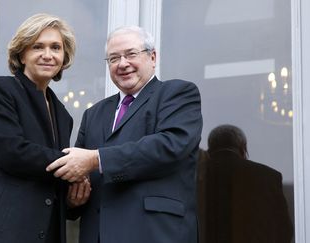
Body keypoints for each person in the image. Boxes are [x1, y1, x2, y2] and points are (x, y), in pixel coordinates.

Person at [47, 25, 203, 243]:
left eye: (131, 54)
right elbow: (80, 175)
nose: (122, 64)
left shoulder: (177, 93)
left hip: (155, 233)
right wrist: (73, 199)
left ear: (153, 57)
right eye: (113, 58)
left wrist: (96, 159)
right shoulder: (93, 114)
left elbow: (170, 145)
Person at [0, 13, 85, 243]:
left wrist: (72, 200)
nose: (48, 55)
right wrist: (74, 168)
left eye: (56, 48)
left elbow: (48, 179)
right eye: (38, 47)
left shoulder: (63, 114)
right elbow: (12, 151)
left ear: (64, 56)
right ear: (22, 54)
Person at [198, 124, 293, 243]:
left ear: (209, 148)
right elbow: (284, 229)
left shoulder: (197, 175)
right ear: (243, 148)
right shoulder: (268, 176)